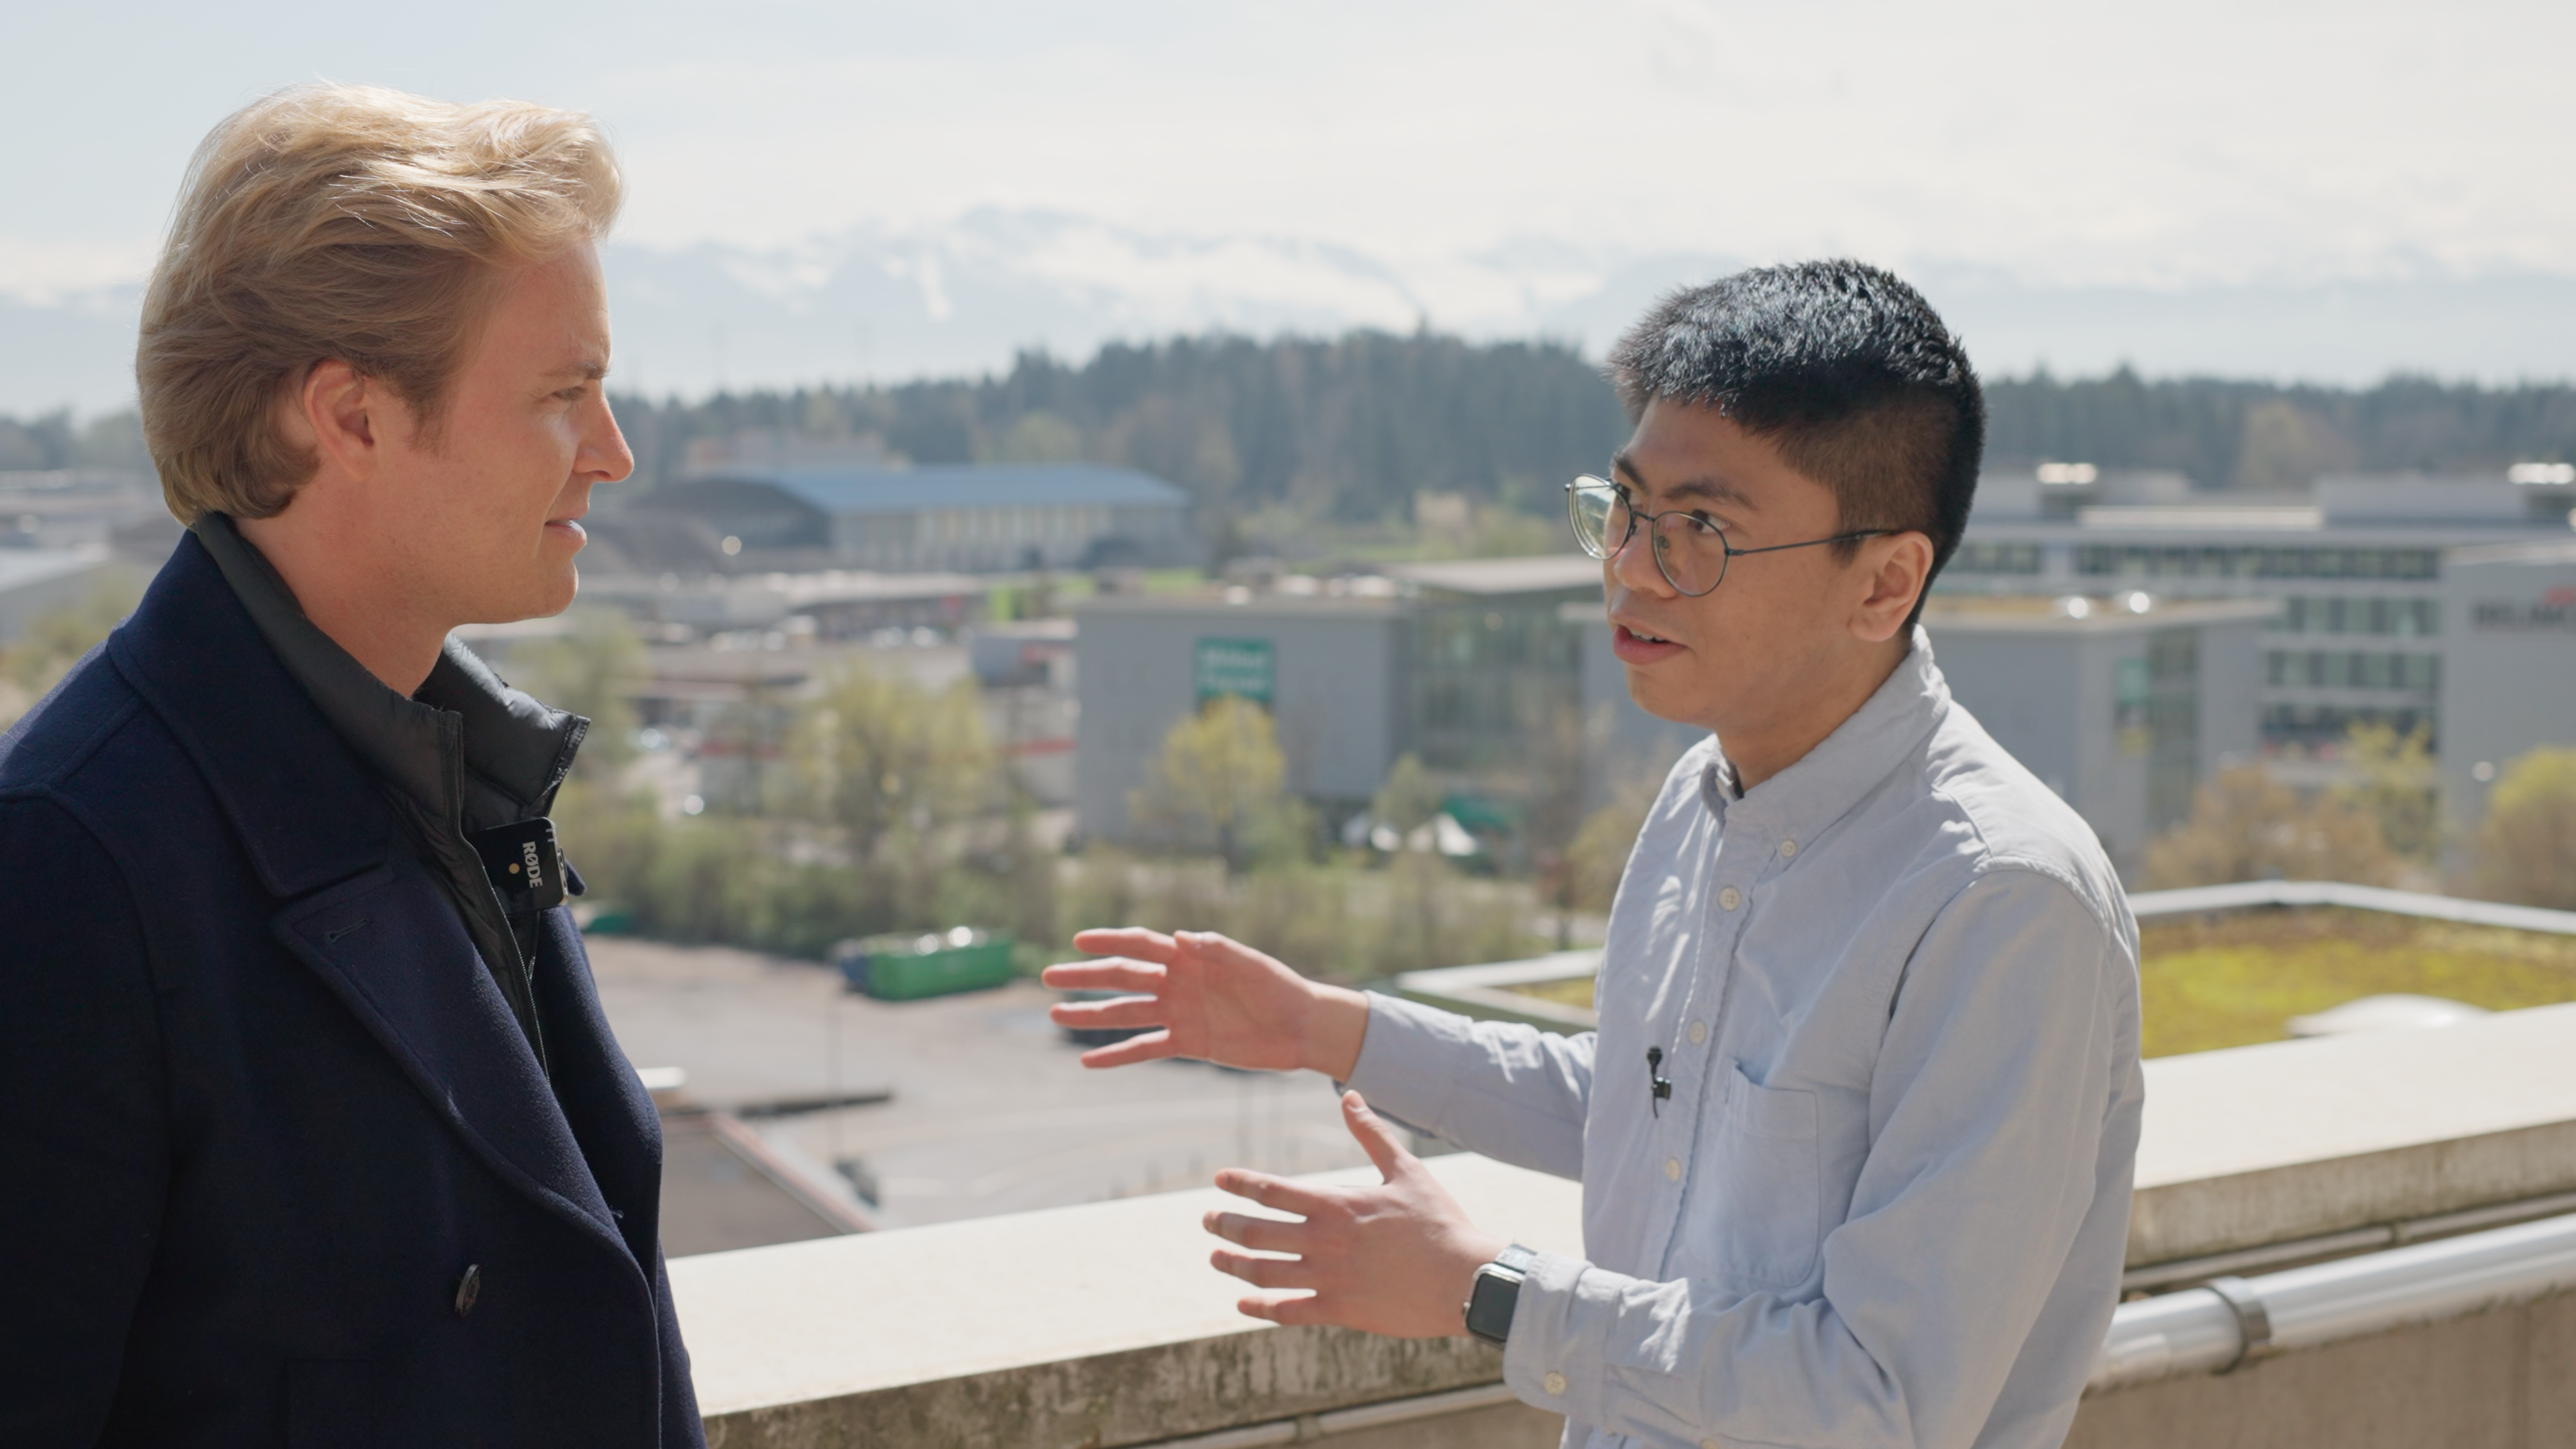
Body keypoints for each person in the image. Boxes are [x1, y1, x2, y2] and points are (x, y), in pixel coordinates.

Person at [1048, 262, 2144, 1449]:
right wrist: (1332, 1032)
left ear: (1885, 582)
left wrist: (1488, 1292)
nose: (1629, 567)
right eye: (1625, 508)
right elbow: (1655, 1113)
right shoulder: (1704, 795)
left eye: (1702, 533)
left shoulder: (2002, 899)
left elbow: (1882, 1402)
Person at [0, 85, 702, 1446]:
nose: (612, 457)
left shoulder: (454, 772)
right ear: (353, 419)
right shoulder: (67, 865)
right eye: (566, 394)